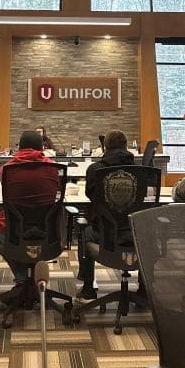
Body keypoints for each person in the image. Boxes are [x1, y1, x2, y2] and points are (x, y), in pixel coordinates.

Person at [76, 129, 137, 301]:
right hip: (135, 233)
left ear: (105, 147)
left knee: (84, 230)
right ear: (126, 147)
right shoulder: (141, 170)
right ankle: (144, 290)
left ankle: (88, 288)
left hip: (105, 234)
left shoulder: (95, 169)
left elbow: (90, 196)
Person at [0, 130, 58, 284]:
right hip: (47, 233)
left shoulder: (7, 169)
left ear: (20, 148)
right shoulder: (53, 168)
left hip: (14, 232)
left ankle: (22, 278)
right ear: (42, 148)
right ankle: (32, 278)